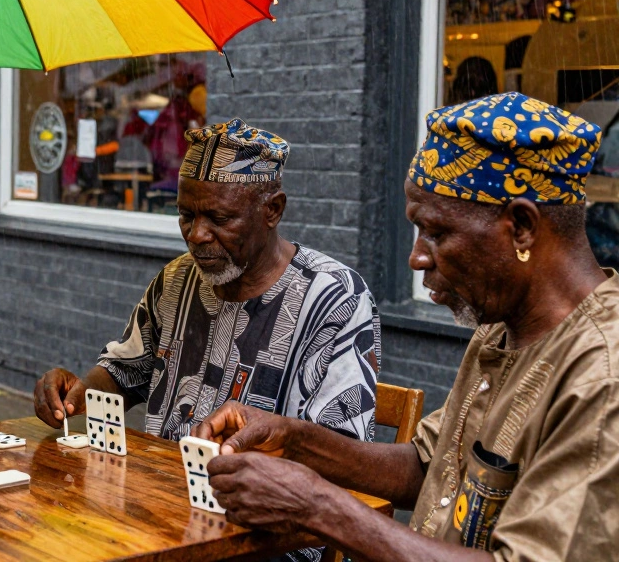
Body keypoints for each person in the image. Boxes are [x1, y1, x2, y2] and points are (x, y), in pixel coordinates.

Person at [194, 93, 618, 561]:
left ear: (520, 226)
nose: (416, 256)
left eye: (436, 232)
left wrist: (318, 507)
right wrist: (294, 439)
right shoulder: (502, 329)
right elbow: (429, 466)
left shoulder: (603, 378)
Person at [34, 118, 381, 442]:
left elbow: (344, 450)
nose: (197, 235)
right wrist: (78, 392)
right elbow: (125, 374)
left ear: (272, 210)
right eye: (186, 215)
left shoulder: (336, 299)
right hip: (164, 491)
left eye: (219, 218)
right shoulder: (176, 279)